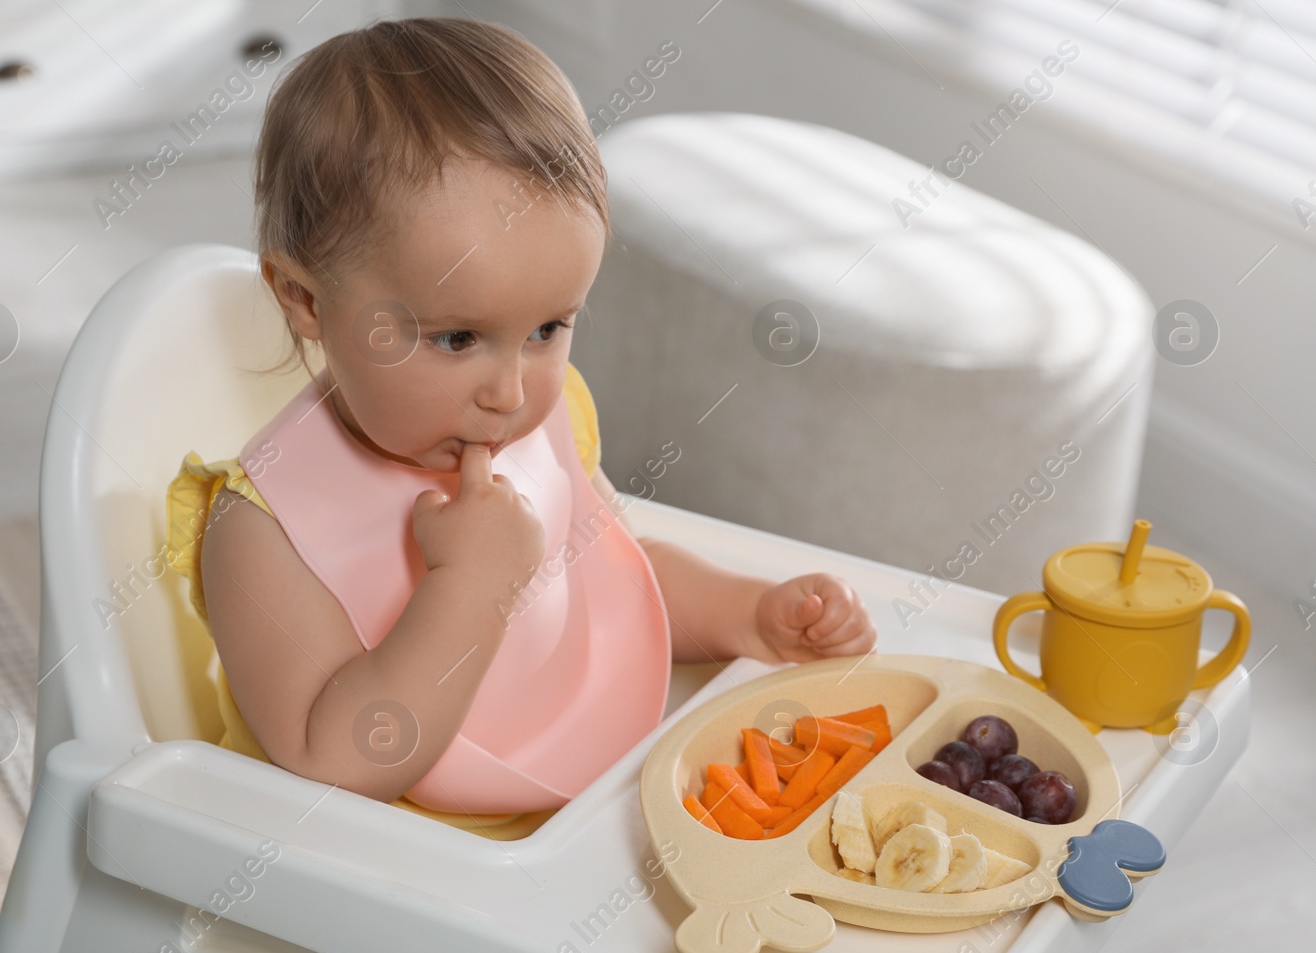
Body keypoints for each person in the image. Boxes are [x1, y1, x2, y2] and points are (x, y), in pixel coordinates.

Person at [167, 16, 876, 842]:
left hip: (578, 816)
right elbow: (335, 765)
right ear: (306, 299)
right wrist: (469, 589)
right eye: (458, 338)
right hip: (395, 863)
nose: (510, 392)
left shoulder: (535, 422)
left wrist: (746, 613)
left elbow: (611, 575)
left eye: (548, 327)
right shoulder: (261, 528)